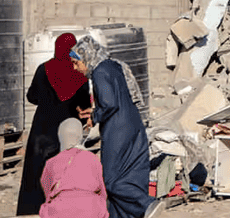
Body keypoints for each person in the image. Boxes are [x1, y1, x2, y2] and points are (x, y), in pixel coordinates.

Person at [69, 37, 156, 218]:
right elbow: (116, 98)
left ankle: (146, 205)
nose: (75, 68)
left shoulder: (100, 71)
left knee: (111, 181)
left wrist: (94, 117)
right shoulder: (113, 66)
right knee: (130, 175)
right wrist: (95, 111)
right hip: (133, 126)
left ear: (87, 57)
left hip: (118, 132)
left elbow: (109, 103)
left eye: (76, 63)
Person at [17, 32, 93, 215]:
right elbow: (85, 105)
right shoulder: (78, 74)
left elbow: (31, 97)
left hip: (41, 129)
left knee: (36, 173)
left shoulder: (43, 69)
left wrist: (46, 98)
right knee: (64, 174)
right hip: (67, 129)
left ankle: (32, 212)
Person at [38, 118, 110, 218]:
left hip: (59, 211)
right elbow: (102, 191)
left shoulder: (51, 162)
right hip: (90, 209)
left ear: (60, 137)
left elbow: (47, 192)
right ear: (80, 136)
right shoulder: (92, 158)